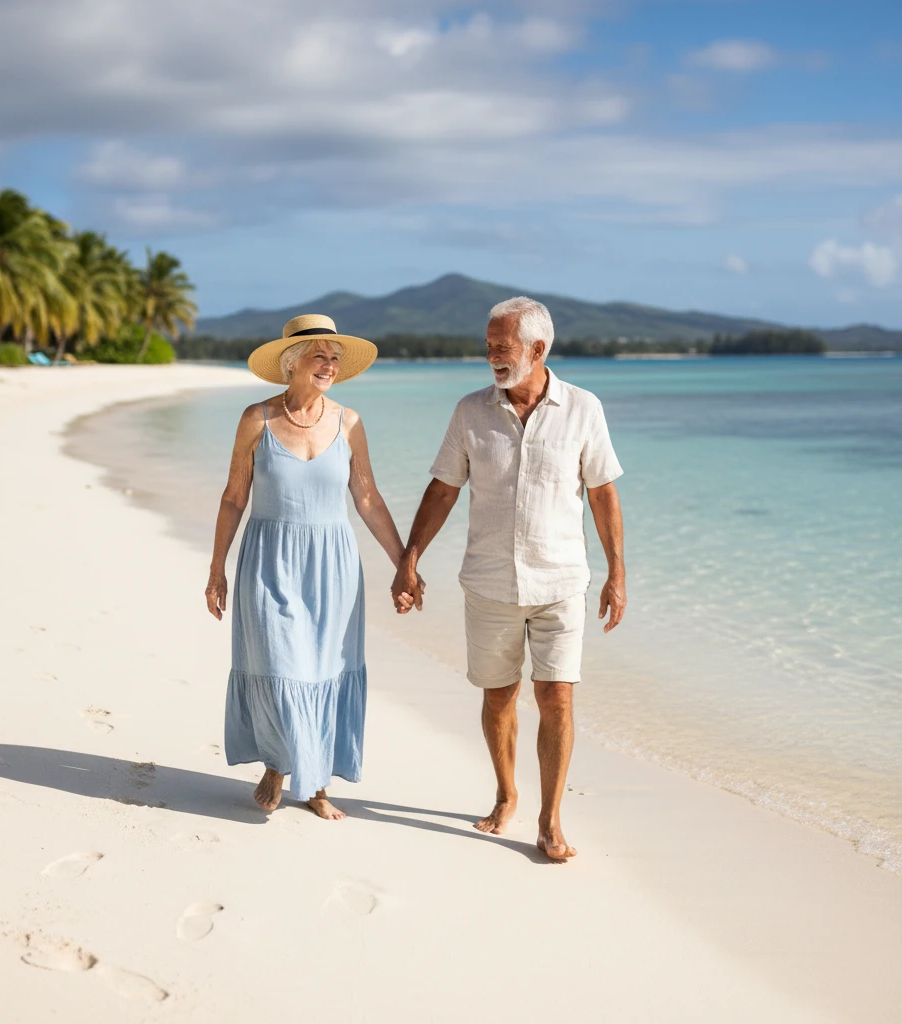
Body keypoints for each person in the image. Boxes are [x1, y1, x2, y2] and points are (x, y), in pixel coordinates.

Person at [392, 297, 626, 860]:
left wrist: (617, 573)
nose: (492, 355)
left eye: (503, 346)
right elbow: (444, 488)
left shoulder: (583, 408)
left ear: (538, 350)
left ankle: (549, 820)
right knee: (499, 698)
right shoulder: (471, 411)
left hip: (562, 583)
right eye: (490, 345)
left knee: (557, 698)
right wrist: (410, 557)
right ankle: (505, 794)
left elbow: (603, 493)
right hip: (491, 582)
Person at [206, 314, 411, 820]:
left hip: (333, 568)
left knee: (323, 671)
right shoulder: (257, 419)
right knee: (280, 665)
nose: (330, 365)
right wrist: (217, 569)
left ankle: (315, 782)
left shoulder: (350, 422)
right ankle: (279, 763)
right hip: (269, 562)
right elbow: (235, 496)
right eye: (320, 355)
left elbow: (367, 498)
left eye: (335, 357)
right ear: (292, 362)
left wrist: (404, 563)